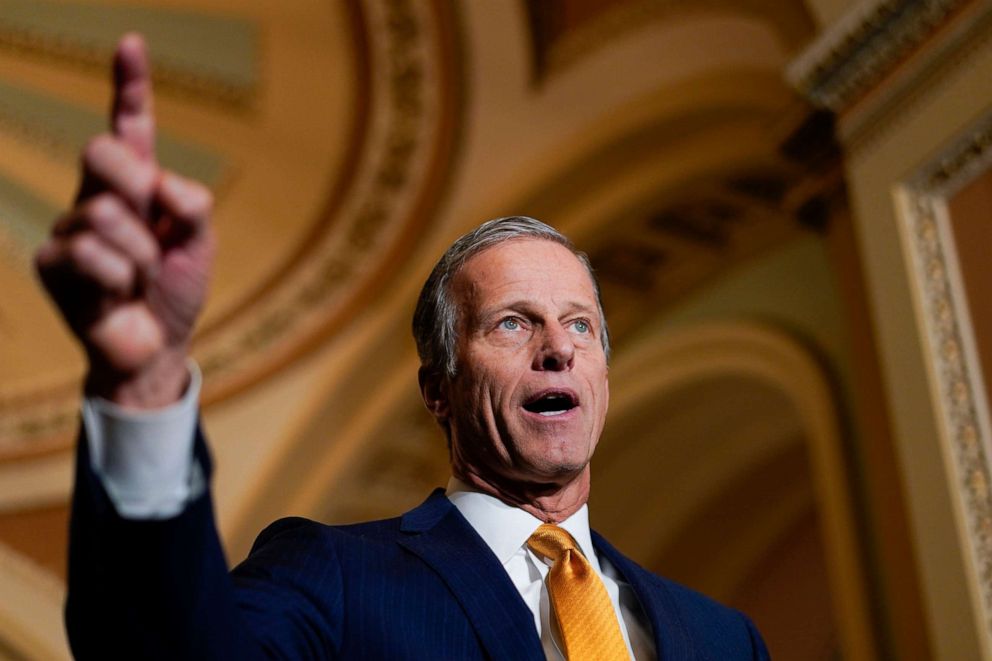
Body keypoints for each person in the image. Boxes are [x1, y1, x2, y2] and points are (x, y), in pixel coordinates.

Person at [37, 34, 769, 660]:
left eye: (581, 324)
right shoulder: (336, 577)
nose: (558, 348)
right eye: (513, 322)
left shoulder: (722, 636)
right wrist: (145, 387)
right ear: (438, 389)